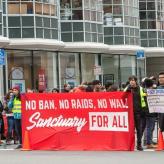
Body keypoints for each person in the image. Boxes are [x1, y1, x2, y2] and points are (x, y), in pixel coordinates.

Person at [124, 75, 147, 151]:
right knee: (130, 130)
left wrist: (145, 109)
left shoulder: (141, 89)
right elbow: (122, 97)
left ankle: (139, 144)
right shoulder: (127, 89)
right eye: (130, 80)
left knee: (139, 129)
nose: (132, 81)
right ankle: (130, 145)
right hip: (130, 113)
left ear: (136, 81)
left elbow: (145, 99)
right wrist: (128, 89)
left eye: (133, 80)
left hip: (139, 112)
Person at [143, 78, 157, 149]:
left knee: (148, 127)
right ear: (151, 85)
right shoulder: (151, 91)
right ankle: (148, 143)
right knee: (150, 127)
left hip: (146, 111)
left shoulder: (144, 91)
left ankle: (148, 141)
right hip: (150, 111)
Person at [157, 72, 164, 138]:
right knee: (161, 127)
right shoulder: (157, 88)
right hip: (161, 112)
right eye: (159, 78)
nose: (160, 79)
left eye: (162, 77)